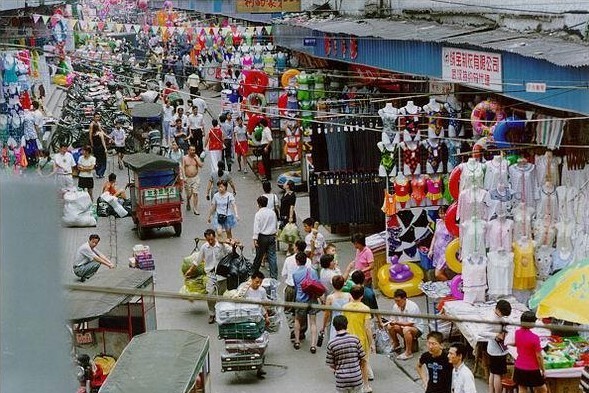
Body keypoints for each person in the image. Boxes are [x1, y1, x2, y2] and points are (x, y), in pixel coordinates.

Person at [184, 229, 236, 324]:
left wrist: (233, 244)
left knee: (220, 295)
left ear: (214, 237)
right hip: (211, 274)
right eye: (209, 240)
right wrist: (190, 270)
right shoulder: (204, 247)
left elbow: (231, 252)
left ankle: (220, 312)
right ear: (206, 239)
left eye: (212, 239)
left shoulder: (221, 245)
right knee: (210, 295)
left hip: (222, 274)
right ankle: (212, 314)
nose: (211, 241)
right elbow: (198, 260)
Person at [343, 285, 375, 393]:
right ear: (362, 295)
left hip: (348, 338)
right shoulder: (365, 308)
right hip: (361, 339)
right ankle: (365, 386)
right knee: (364, 363)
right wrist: (371, 342)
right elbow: (367, 328)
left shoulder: (345, 307)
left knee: (351, 363)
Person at [326, 315, 367, 393]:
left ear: (334, 326)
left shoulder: (331, 343)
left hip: (341, 380)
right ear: (346, 324)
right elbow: (363, 359)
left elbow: (332, 365)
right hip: (356, 378)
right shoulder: (355, 339)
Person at [281, 240, 311, 341]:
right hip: (303, 289)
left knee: (288, 310)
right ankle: (301, 330)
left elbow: (284, 274)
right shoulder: (308, 261)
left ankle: (293, 328)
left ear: (296, 247)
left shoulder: (289, 259)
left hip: (290, 288)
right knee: (302, 310)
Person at [511, 311, 547, 393]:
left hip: (519, 366)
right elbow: (539, 356)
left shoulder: (517, 333)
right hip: (532, 368)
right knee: (543, 389)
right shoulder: (534, 338)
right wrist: (543, 369)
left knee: (522, 388)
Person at [482, 300, 512, 393]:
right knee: (498, 374)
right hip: (497, 350)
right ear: (498, 310)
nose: (503, 316)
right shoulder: (492, 319)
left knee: (493, 372)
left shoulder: (497, 316)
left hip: (495, 349)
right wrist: (496, 335)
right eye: (502, 314)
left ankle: (491, 391)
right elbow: (482, 332)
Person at [244, 270, 270, 379]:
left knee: (260, 344)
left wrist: (266, 317)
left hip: (259, 320)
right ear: (252, 279)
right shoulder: (244, 290)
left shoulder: (262, 291)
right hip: (246, 320)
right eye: (256, 282)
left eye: (260, 282)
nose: (258, 284)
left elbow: (264, 305)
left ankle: (259, 367)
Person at [292, 251, 320, 353]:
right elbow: (317, 284)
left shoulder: (295, 274)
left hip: (300, 299)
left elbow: (296, 286)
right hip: (311, 298)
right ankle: (313, 345)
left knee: (297, 320)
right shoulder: (312, 271)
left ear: (297, 262)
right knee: (313, 322)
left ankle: (297, 341)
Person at [387, 288, 425, 360]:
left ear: (404, 299)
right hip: (402, 326)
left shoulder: (412, 306)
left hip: (416, 328)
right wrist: (391, 322)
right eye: (395, 301)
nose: (397, 303)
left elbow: (410, 323)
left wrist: (397, 322)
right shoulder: (395, 306)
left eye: (398, 301)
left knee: (406, 329)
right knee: (390, 326)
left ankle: (408, 352)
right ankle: (396, 343)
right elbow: (392, 318)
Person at [252, 196, 278, 279]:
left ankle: (254, 272)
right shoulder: (272, 213)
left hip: (262, 237)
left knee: (259, 255)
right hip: (271, 236)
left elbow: (257, 227)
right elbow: (275, 224)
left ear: (259, 204)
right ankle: (274, 275)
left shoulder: (258, 214)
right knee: (272, 256)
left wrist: (255, 239)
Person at [322, 275, 353, 342]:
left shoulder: (330, 298)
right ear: (343, 285)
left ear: (333, 285)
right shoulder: (349, 295)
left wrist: (323, 326)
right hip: (347, 321)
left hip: (335, 322)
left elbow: (326, 314)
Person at [428, 206, 453, 281]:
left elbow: (455, 238)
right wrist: (431, 249)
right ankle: (448, 287)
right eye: (440, 213)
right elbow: (435, 237)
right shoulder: (438, 222)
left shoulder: (451, 224)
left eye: (443, 213)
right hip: (437, 251)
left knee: (437, 274)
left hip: (445, 251)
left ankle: (451, 286)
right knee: (442, 271)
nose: (442, 215)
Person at [182, 145, 203, 214]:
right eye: (191, 150)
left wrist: (196, 159)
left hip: (196, 178)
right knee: (189, 194)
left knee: (195, 193)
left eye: (194, 150)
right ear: (188, 151)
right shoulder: (185, 158)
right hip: (188, 179)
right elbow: (182, 168)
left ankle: (195, 208)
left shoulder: (196, 157)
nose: (192, 151)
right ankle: (188, 201)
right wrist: (184, 177)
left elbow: (201, 165)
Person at [89, 112, 110, 178]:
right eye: (96, 117)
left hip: (97, 146)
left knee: (98, 159)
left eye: (98, 117)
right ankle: (100, 173)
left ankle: (99, 173)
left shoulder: (98, 125)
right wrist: (92, 144)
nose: (97, 118)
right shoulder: (92, 125)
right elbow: (90, 135)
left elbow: (102, 131)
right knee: (101, 160)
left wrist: (107, 136)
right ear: (94, 117)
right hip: (98, 146)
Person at [280, 180, 297, 253]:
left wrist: (290, 217)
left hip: (288, 215)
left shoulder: (292, 195)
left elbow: (291, 206)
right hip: (283, 214)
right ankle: (289, 247)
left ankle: (290, 249)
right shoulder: (285, 193)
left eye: (285, 183)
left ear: (288, 186)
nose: (283, 184)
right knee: (286, 231)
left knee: (290, 233)